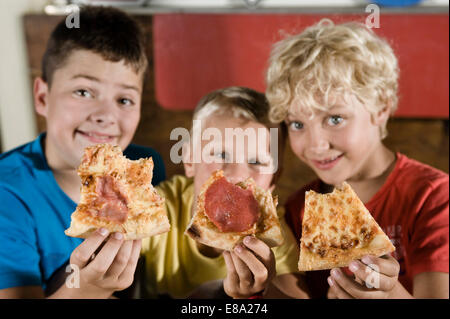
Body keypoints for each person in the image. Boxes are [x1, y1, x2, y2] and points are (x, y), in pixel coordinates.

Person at [265, 19, 449, 299]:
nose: (317, 145)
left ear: (381, 109)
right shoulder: (296, 212)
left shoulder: (434, 198)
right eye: (297, 124)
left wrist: (390, 295)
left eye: (335, 118)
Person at [0, 6, 165, 298]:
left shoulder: (146, 173)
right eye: (84, 92)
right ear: (42, 97)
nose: (105, 115)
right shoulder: (7, 195)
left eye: (124, 99)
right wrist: (86, 289)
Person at [140, 86, 308, 299]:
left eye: (256, 161)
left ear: (273, 180)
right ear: (190, 160)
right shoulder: (162, 206)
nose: (236, 175)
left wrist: (263, 290)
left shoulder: (273, 237)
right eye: (220, 154)